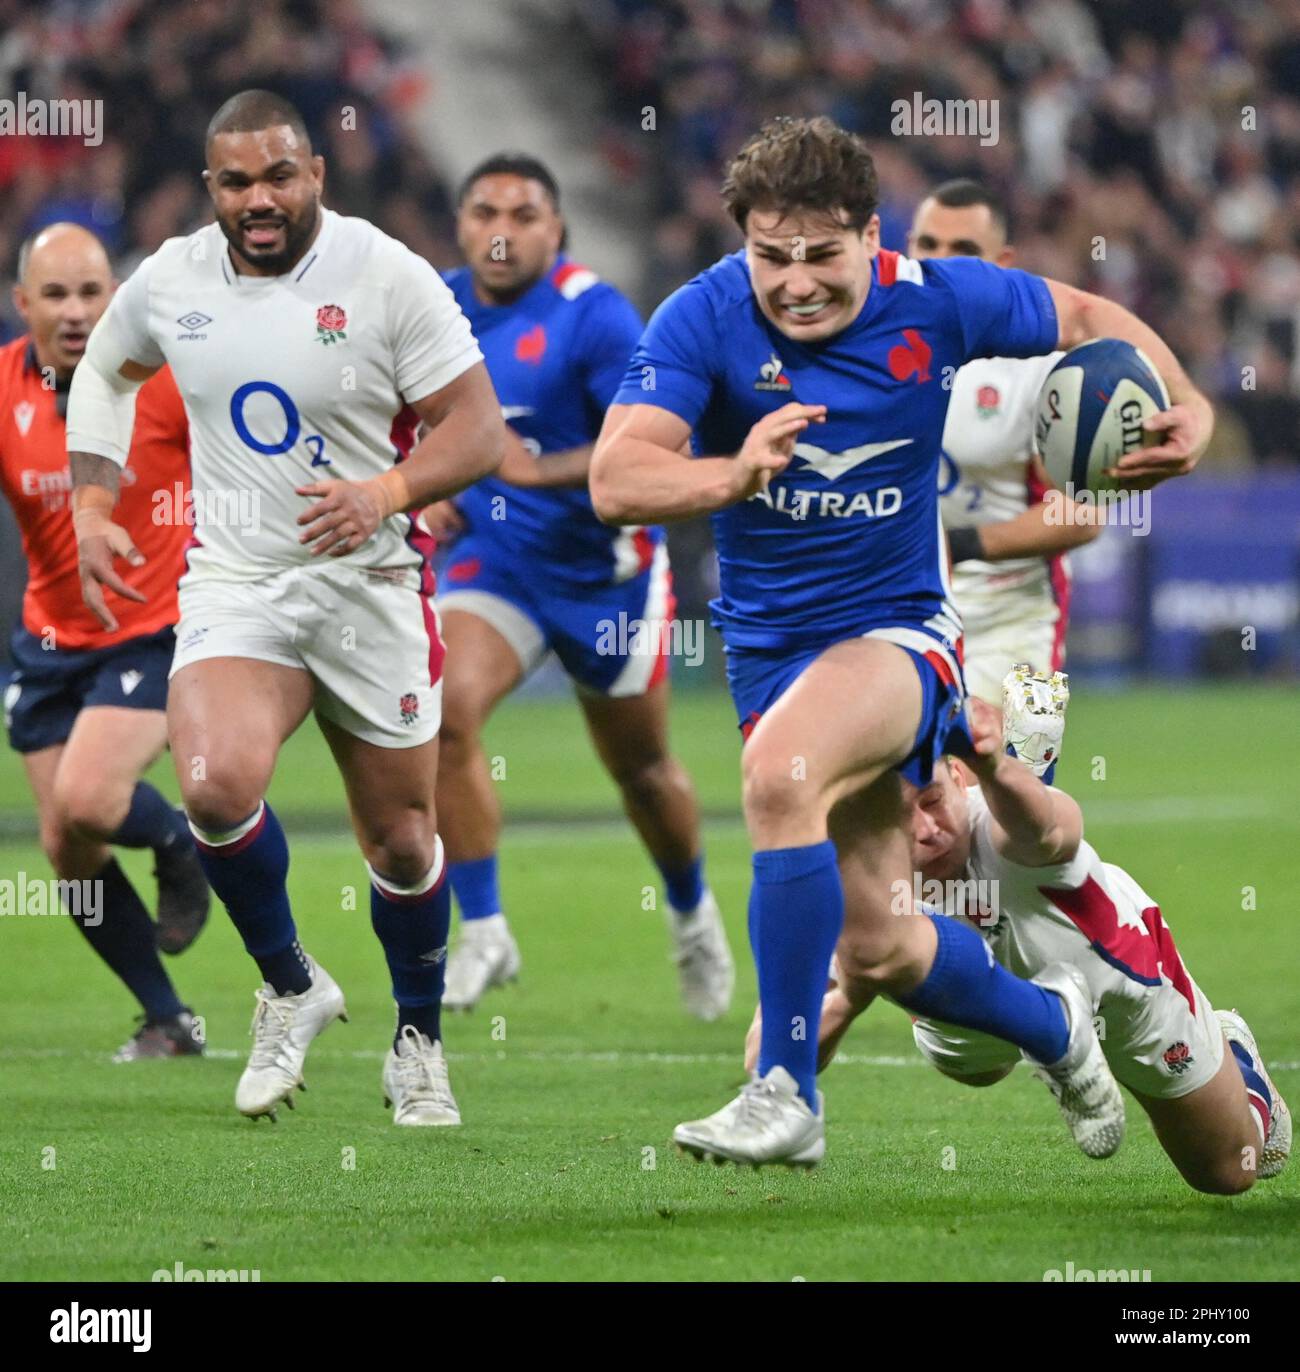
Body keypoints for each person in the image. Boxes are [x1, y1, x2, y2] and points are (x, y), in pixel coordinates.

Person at [590, 116, 1213, 1167]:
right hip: (769, 653)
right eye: (770, 257)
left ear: (869, 237)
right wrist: (728, 474)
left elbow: (1086, 311)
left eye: (820, 255)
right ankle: (1054, 1027)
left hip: (900, 635)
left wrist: (1186, 399)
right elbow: (616, 478)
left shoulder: (937, 298)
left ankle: (781, 1090)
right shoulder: (701, 316)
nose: (793, 283)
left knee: (777, 778)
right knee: (876, 943)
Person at [67, 90, 504, 1125]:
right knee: (213, 786)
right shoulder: (174, 277)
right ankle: (293, 983)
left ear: (315, 175)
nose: (257, 199)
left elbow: (476, 429)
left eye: (277, 177)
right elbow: (104, 369)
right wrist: (92, 502)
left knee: (401, 841)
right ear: (211, 187)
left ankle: (417, 1041)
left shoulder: (385, 273)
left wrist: (384, 494)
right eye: (235, 182)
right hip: (242, 581)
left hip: (369, 581)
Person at [426, 153, 732, 1018]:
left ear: (555, 229)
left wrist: (530, 471)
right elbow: (396, 417)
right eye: (485, 210)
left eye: (524, 214)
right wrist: (434, 483)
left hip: (606, 575)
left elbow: (650, 450)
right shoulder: (435, 307)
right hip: (496, 565)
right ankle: (482, 926)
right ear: (461, 224)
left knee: (641, 771)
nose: (502, 228)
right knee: (442, 712)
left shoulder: (595, 315)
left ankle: (689, 911)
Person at [808, 693, 1292, 1195]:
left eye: (933, 801)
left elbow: (1044, 827)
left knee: (1229, 1172)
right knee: (977, 1070)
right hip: (973, 1036)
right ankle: (1031, 1026)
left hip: (1118, 989)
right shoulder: (846, 886)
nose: (928, 831)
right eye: (902, 821)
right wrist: (848, 999)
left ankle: (1233, 1056)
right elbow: (777, 1047)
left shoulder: (1005, 833)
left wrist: (996, 766)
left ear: (959, 779)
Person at [1, 223, 208, 1062]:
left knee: (88, 799)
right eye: (56, 294)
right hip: (49, 641)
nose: (78, 311)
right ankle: (166, 1018)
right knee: (66, 845)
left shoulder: (160, 379)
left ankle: (183, 843)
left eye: (93, 292)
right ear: (23, 305)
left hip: (154, 629)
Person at [909, 179, 1102, 713]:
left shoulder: (1042, 366)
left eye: (964, 250)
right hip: (902, 613)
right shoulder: (870, 353)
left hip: (1016, 617)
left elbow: (1083, 514)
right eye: (928, 245)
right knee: (907, 790)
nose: (940, 262)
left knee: (1022, 783)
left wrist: (961, 545)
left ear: (1003, 261)